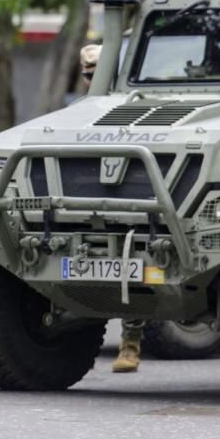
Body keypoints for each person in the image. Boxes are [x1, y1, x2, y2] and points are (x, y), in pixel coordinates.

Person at [79, 43, 143, 373]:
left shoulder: (133, 108)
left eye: (99, 73)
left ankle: (130, 345)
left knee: (130, 267)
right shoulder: (77, 113)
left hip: (126, 201)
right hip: (84, 206)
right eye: (89, 75)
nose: (94, 80)